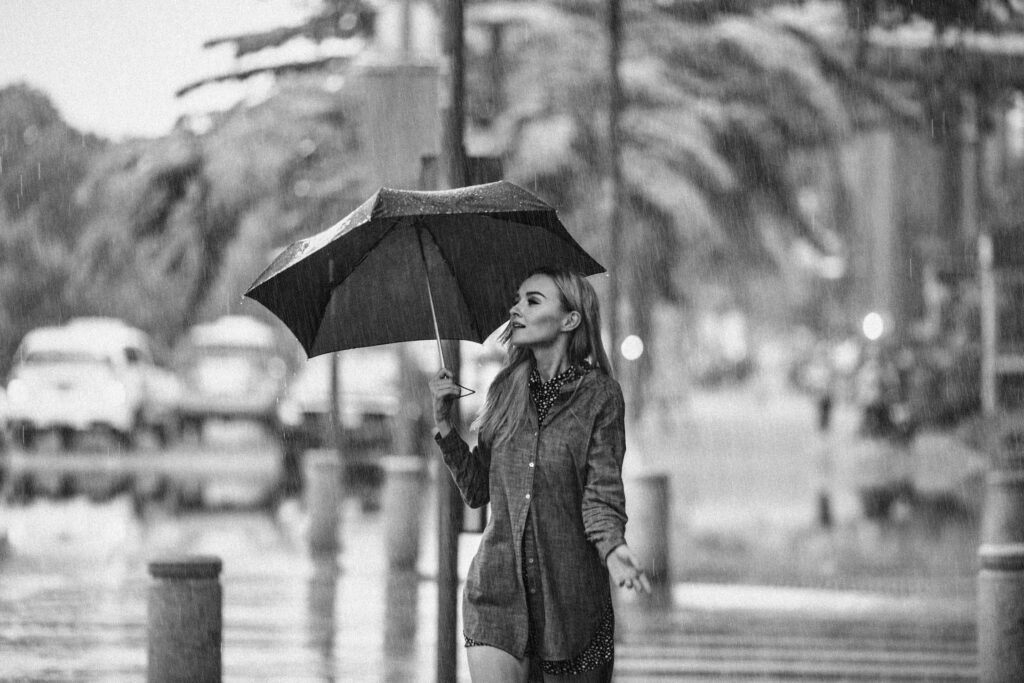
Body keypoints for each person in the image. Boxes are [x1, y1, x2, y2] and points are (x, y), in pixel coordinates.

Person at [429, 265, 650, 683]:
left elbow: (600, 495)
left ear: (570, 319)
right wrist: (444, 426)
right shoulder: (504, 390)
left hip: (572, 607)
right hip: (496, 596)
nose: (516, 309)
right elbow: (479, 491)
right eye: (517, 300)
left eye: (532, 301)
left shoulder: (600, 397)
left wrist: (613, 548)